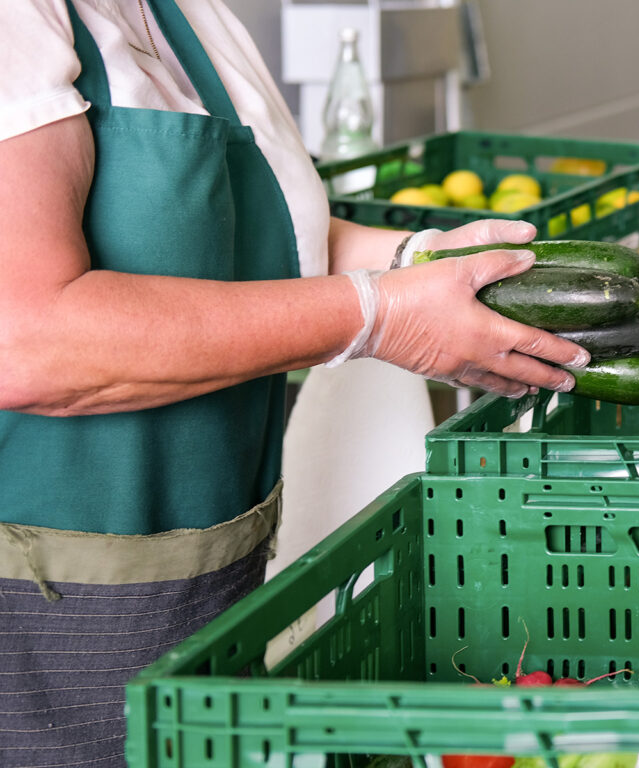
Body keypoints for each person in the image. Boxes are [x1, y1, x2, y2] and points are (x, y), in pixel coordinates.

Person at [0, 2, 590, 766]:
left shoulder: (191, 16)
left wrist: (419, 259)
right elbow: (26, 339)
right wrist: (377, 315)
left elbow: (271, 237)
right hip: (45, 617)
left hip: (213, 589)